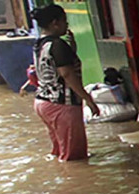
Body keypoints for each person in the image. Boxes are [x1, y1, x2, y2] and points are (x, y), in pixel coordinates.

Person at [30, 4, 99, 161]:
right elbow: (67, 74)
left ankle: (61, 178)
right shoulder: (58, 45)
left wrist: (72, 50)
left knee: (59, 151)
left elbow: (54, 68)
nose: (67, 25)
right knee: (73, 157)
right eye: (65, 21)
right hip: (62, 105)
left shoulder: (40, 44)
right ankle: (73, 182)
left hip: (43, 103)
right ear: (55, 23)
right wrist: (88, 98)